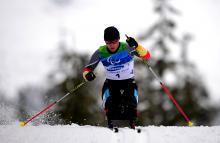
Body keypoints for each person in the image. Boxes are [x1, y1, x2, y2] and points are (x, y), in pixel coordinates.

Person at [82, 26, 151, 129]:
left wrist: (137, 46)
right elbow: (87, 69)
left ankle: (132, 121)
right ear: (105, 42)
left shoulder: (128, 47)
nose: (111, 45)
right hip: (111, 81)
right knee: (110, 102)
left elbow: (146, 56)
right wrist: (88, 75)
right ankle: (110, 121)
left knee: (130, 101)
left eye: (114, 42)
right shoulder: (101, 52)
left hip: (128, 80)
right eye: (108, 42)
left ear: (118, 39)